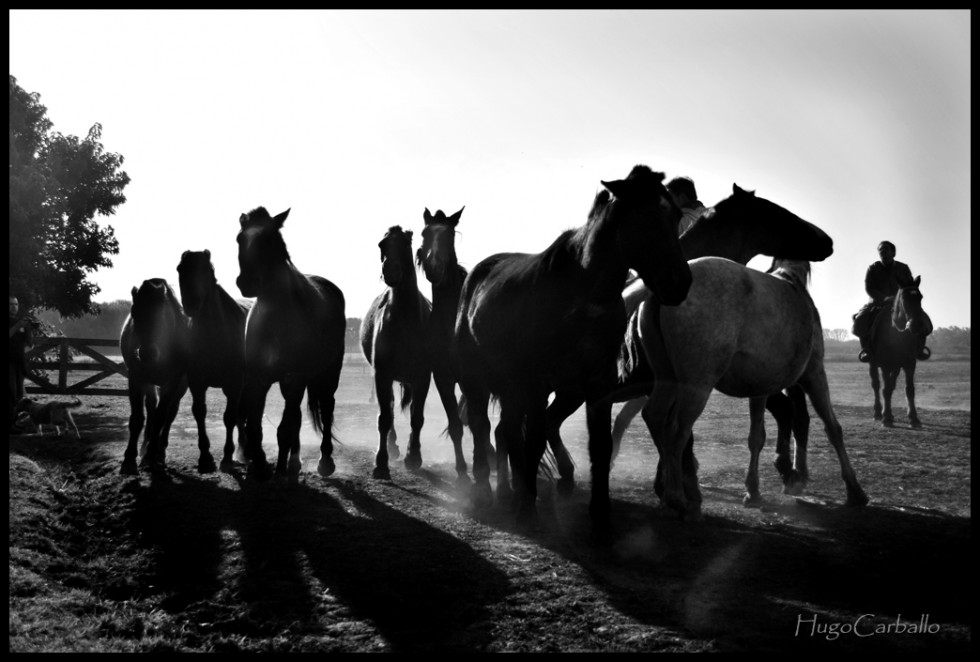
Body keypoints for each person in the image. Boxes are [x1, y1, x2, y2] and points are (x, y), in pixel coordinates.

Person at [851, 241, 931, 362]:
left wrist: (902, 298)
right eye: (880, 250)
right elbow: (869, 288)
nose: (883, 252)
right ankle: (866, 350)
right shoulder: (873, 268)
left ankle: (920, 349)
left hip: (901, 303)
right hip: (877, 302)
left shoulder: (903, 268)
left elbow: (909, 285)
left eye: (886, 249)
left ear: (893, 252)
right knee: (860, 319)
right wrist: (884, 298)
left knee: (922, 319)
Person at [9, 295, 34, 433]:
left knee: (19, 393)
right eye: (11, 304)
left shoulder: (21, 322)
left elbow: (29, 344)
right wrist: (17, 326)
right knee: (10, 392)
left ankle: (15, 422)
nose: (14, 307)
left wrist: (29, 329)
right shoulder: (16, 323)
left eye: (16, 304)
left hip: (19, 362)